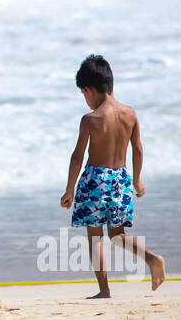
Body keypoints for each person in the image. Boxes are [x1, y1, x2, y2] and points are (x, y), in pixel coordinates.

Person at [59, 55, 166, 297]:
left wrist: (69, 189)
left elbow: (77, 156)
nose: (85, 100)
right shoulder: (130, 114)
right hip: (120, 180)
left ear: (88, 90)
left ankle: (104, 290)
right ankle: (152, 258)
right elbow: (137, 149)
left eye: (84, 95)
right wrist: (137, 180)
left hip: (94, 181)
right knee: (118, 236)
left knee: (95, 238)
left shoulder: (90, 119)